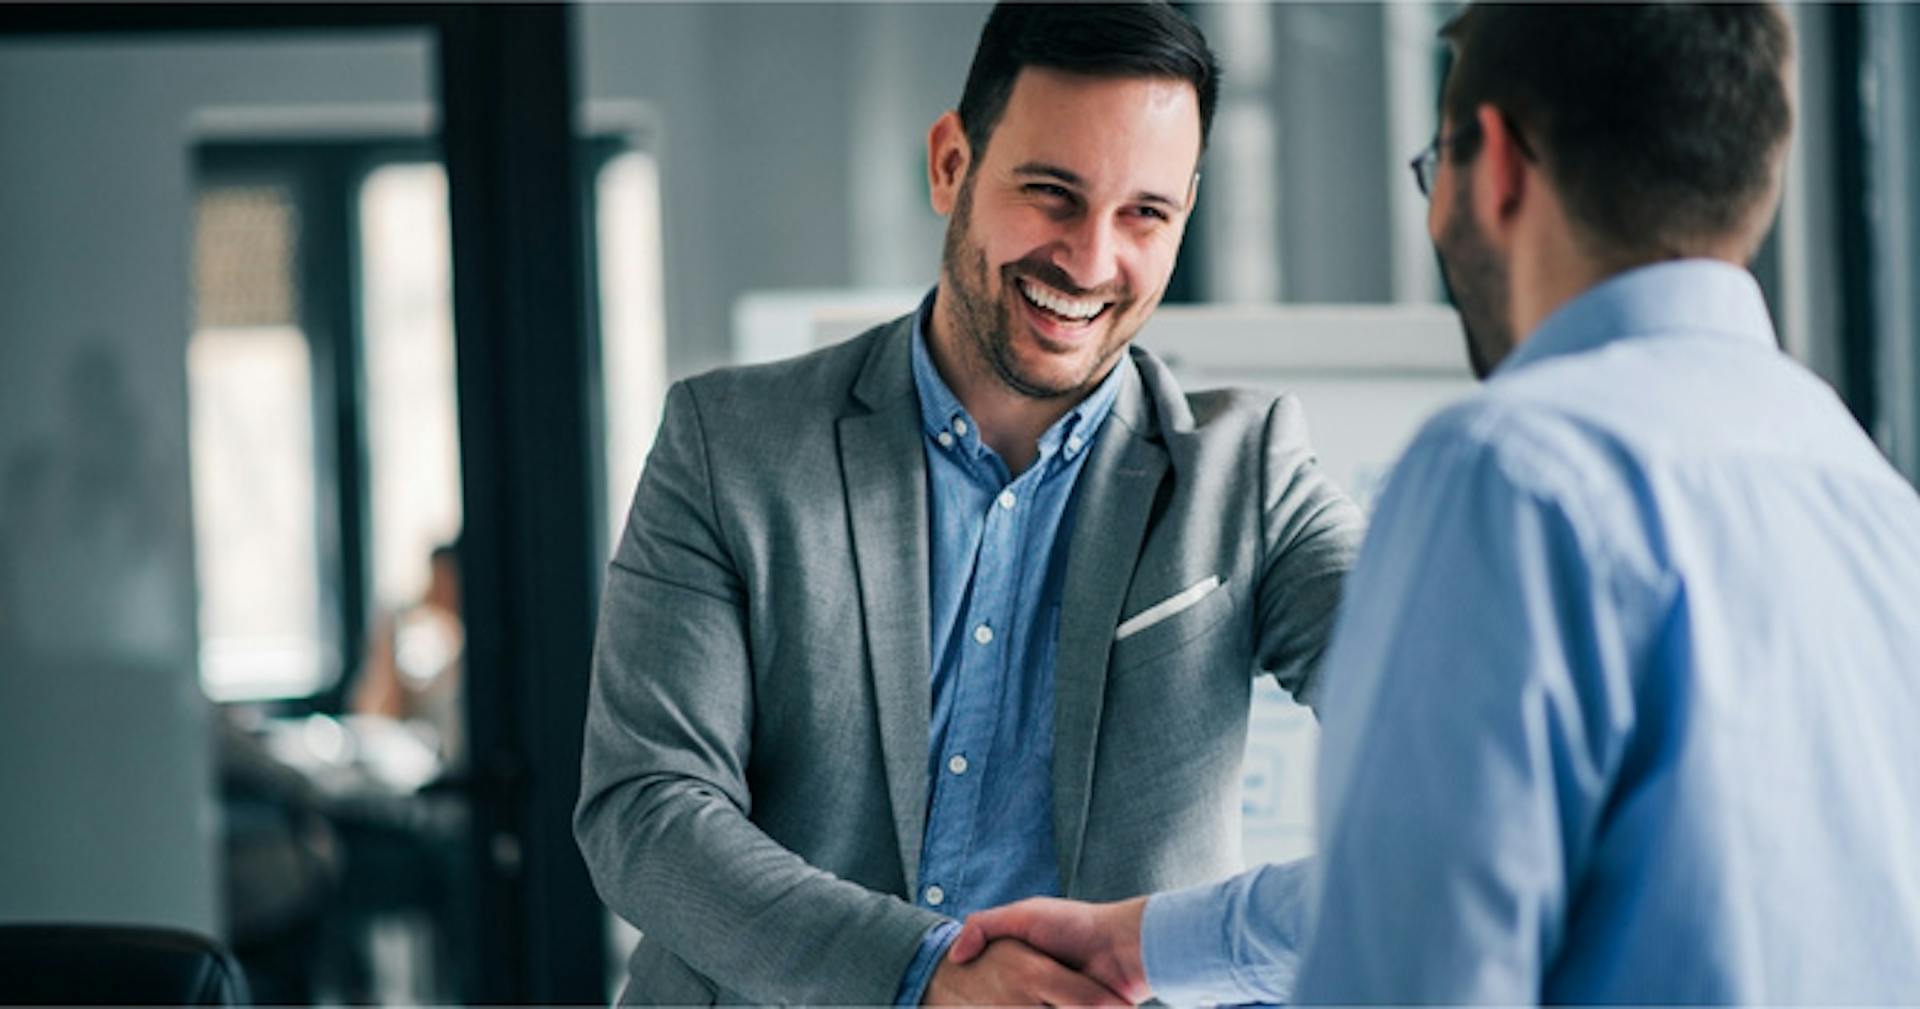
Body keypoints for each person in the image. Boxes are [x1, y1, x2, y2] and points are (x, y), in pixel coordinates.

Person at [950, 3, 1920, 1002]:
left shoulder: (1513, 471)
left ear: (1493, 162)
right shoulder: (1874, 502)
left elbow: (1416, 963)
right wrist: (1151, 941)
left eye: (1433, 163)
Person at [572, 3, 1365, 1004]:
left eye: (1144, 215)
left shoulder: (1247, 479)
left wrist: (1204, 946)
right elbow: (644, 811)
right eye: (1051, 194)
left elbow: (1470, 748)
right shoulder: (729, 445)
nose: (1088, 259)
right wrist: (921, 977)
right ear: (953, 163)